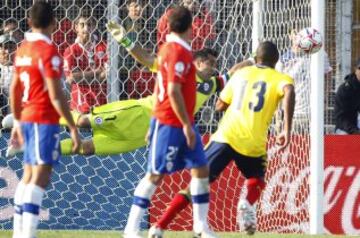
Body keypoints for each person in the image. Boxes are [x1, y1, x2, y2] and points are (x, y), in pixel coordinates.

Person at [148, 41, 295, 236]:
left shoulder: (240, 74)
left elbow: (219, 105)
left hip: (225, 135)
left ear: (256, 58)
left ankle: (159, 227)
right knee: (257, 179)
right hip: (252, 139)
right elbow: (289, 91)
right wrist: (286, 128)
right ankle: (246, 202)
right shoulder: (281, 78)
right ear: (275, 61)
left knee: (197, 184)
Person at [123, 6, 216, 238]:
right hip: (172, 123)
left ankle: (200, 227)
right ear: (191, 26)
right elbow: (172, 91)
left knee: (201, 168)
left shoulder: (169, 49)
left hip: (178, 121)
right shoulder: (177, 52)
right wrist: (184, 124)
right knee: (155, 175)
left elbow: (160, 87)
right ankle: (131, 229)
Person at [8, 2, 81, 238]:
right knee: (41, 175)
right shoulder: (48, 52)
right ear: (54, 23)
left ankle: (20, 232)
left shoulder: (22, 49)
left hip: (27, 116)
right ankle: (26, 234)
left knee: (29, 175)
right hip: (43, 118)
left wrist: (17, 121)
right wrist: (72, 126)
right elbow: (56, 94)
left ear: (29, 22)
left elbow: (14, 89)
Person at [276, 28, 332, 133]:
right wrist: (279, 116)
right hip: (293, 115)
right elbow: (278, 89)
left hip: (315, 114)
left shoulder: (320, 55)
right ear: (290, 36)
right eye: (295, 33)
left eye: (300, 33)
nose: (298, 37)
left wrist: (325, 98)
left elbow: (328, 74)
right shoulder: (283, 61)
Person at [63, 12, 108, 114]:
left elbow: (106, 76)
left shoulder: (103, 47)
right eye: (82, 25)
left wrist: (82, 76)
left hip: (102, 106)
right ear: (76, 27)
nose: (86, 29)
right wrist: (97, 72)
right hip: (80, 109)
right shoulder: (70, 50)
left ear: (94, 26)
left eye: (89, 25)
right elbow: (72, 78)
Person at [334, 59, 360, 134]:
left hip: (356, 125)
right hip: (344, 128)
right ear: (356, 70)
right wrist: (354, 131)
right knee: (345, 134)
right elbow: (340, 118)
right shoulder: (344, 90)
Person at [0, 34, 16, 126]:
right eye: (4, 48)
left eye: (11, 48)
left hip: (16, 121)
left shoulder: (22, 70)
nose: (8, 51)